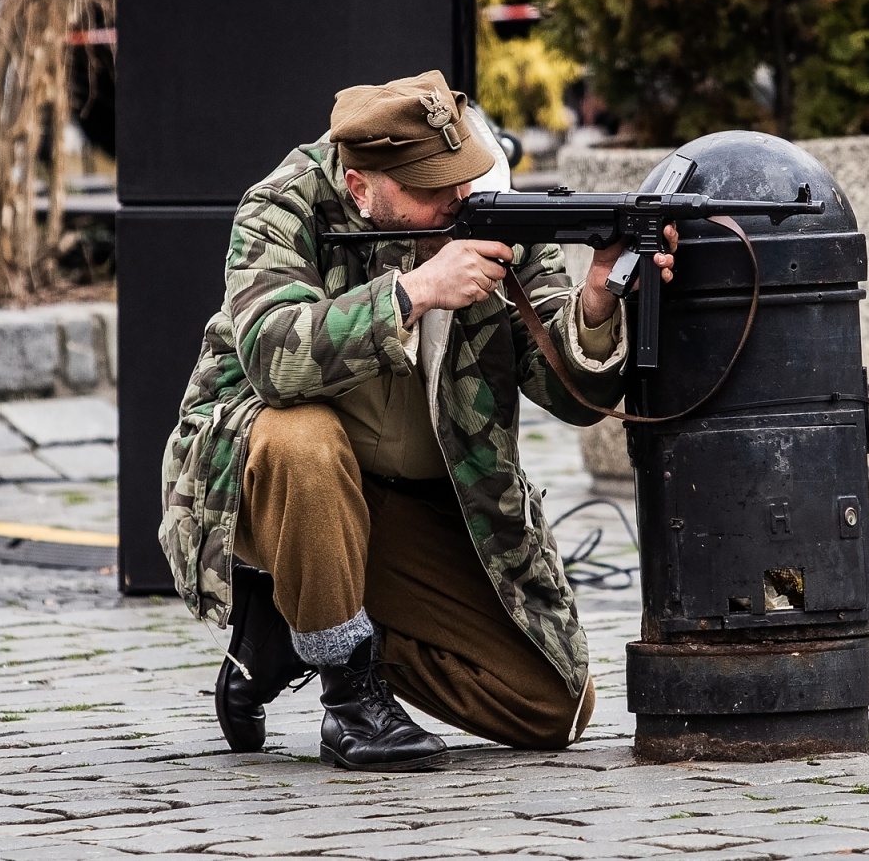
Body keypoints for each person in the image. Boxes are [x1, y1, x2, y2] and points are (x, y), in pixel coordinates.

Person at [159, 71, 676, 771]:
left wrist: (593, 304)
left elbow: (569, 397)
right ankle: (350, 696)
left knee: (551, 706)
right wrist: (414, 293)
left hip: (415, 504)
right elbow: (271, 354)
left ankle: (293, 617)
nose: (456, 199)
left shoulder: (490, 212)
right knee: (302, 440)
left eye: (458, 174)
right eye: (430, 188)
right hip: (274, 478)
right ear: (361, 183)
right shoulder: (284, 206)